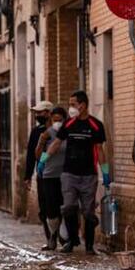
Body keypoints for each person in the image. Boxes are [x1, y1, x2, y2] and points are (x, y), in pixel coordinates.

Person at [44, 91, 110, 254]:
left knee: (88, 212)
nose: (71, 108)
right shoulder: (68, 124)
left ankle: (89, 246)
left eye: (73, 104)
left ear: (83, 105)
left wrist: (106, 172)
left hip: (89, 175)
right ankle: (72, 241)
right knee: (68, 208)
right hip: (69, 174)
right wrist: (44, 159)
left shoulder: (96, 125)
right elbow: (57, 143)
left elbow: (99, 150)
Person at [35, 106, 69, 251]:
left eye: (60, 120)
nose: (57, 123)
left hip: (66, 175)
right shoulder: (47, 134)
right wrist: (42, 142)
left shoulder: (68, 133)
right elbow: (37, 154)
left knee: (65, 208)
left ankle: (64, 239)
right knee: (51, 210)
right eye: (55, 120)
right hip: (49, 176)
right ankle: (52, 236)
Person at [23, 101, 53, 242]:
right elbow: (30, 155)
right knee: (44, 206)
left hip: (57, 174)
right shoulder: (36, 132)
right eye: (36, 112)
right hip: (41, 174)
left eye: (40, 112)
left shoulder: (58, 131)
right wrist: (28, 176)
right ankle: (50, 238)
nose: (37, 115)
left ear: (48, 113)